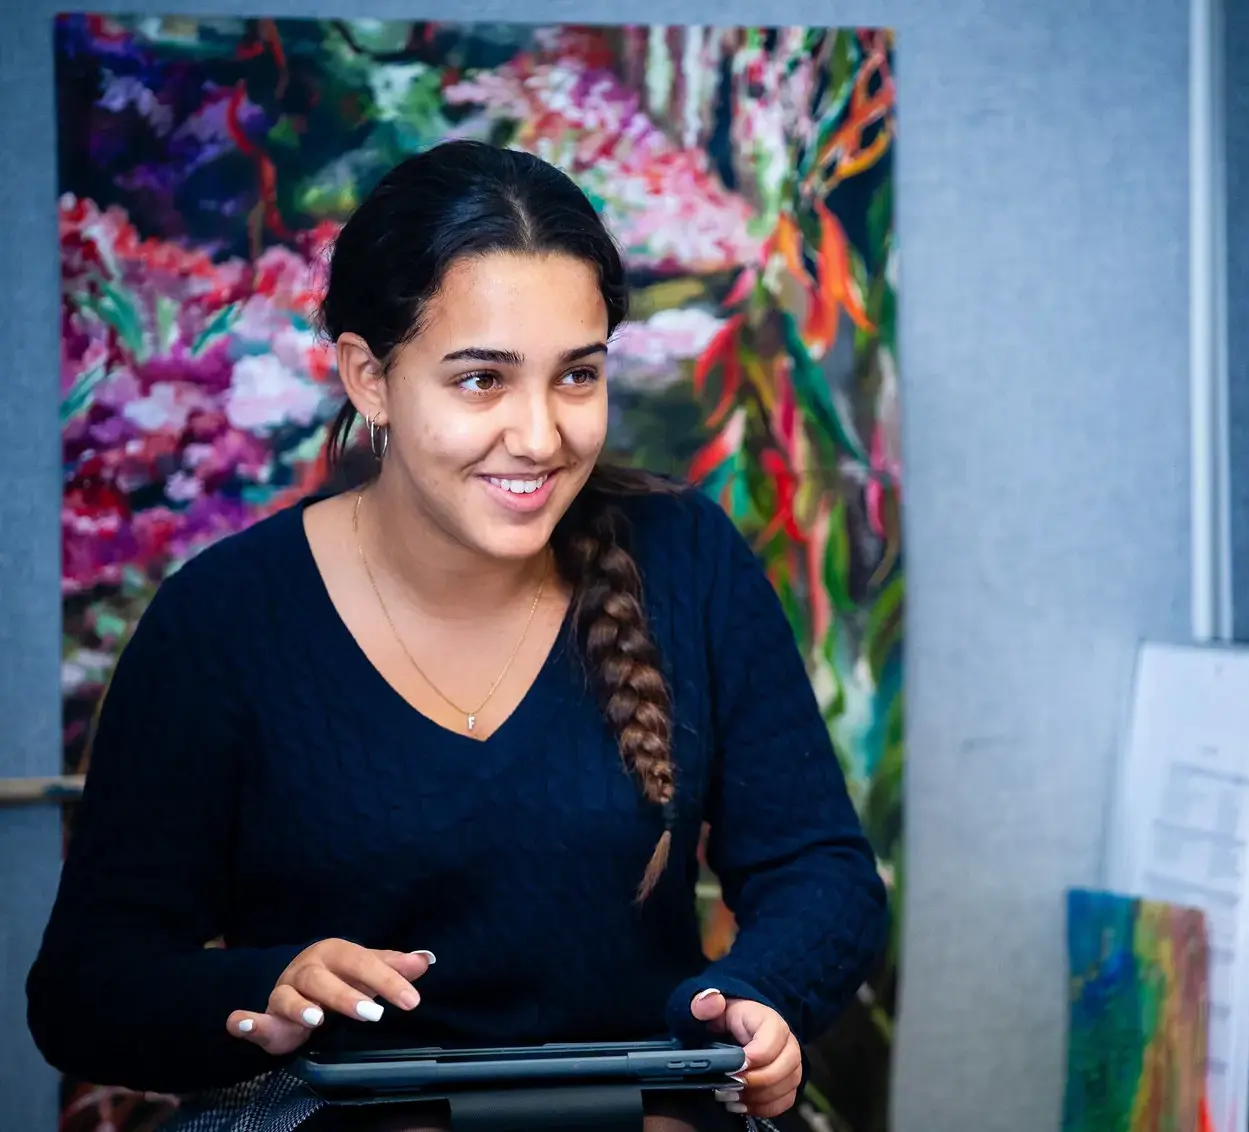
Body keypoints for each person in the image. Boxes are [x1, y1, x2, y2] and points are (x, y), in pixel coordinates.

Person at [28, 139, 889, 1132]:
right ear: (369, 377)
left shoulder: (685, 560)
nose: (539, 434)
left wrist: (755, 1000)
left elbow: (820, 871)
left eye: (576, 376)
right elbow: (86, 991)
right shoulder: (219, 623)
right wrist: (269, 987)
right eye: (481, 380)